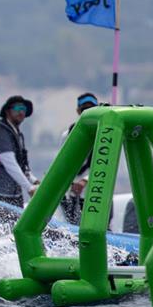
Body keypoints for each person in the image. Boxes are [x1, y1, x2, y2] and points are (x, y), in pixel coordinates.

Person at [0, 95, 40, 208]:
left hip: (15, 194)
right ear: (7, 111)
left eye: (23, 109)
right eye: (17, 108)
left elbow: (22, 166)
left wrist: (35, 181)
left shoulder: (17, 134)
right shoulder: (0, 133)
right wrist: (29, 188)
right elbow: (10, 164)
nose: (21, 112)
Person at [59, 92, 99, 224]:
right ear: (78, 111)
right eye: (84, 109)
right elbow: (62, 162)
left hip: (94, 193)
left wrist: (85, 181)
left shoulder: (104, 133)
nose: (88, 112)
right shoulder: (68, 134)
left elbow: (107, 163)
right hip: (71, 193)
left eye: (91, 109)